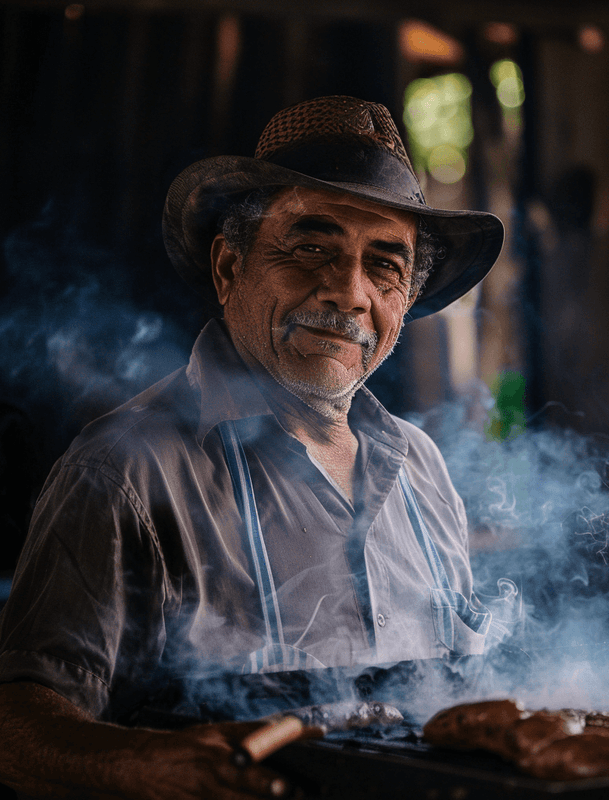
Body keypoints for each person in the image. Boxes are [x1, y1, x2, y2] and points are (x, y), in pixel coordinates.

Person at [0, 96, 506, 799]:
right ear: (229, 268)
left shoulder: (421, 468)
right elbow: (15, 725)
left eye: (384, 264)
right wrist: (143, 766)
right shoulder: (124, 469)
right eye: (310, 248)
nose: (349, 291)